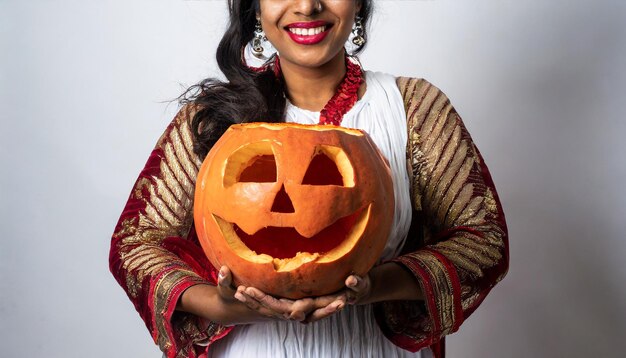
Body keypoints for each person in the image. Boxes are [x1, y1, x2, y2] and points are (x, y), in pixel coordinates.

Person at [109, 1, 509, 357]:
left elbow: (484, 240)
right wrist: (219, 305)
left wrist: (377, 285)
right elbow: (135, 244)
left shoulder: (414, 107)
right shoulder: (213, 117)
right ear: (255, 7)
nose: (307, 6)